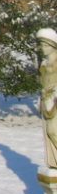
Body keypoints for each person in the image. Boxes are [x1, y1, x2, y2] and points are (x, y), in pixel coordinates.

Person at [38, 30, 57, 168]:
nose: (43, 49)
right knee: (49, 133)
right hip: (47, 102)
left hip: (55, 99)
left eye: (45, 45)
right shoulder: (44, 64)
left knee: (53, 131)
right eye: (41, 46)